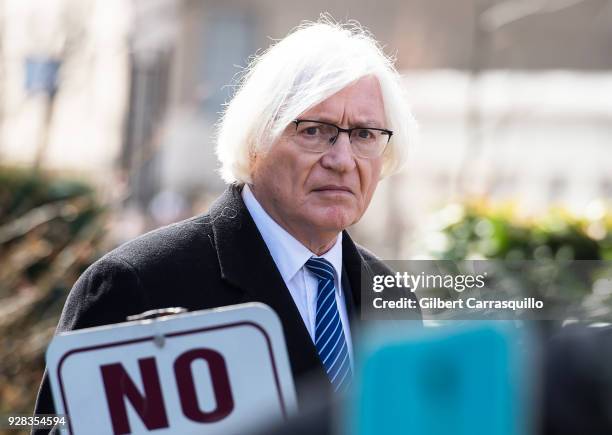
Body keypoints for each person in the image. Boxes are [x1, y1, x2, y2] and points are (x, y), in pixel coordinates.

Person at [33, 18, 420, 430]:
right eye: (314, 130)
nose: (342, 160)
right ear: (255, 142)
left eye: (363, 134)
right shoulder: (137, 282)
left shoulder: (393, 298)